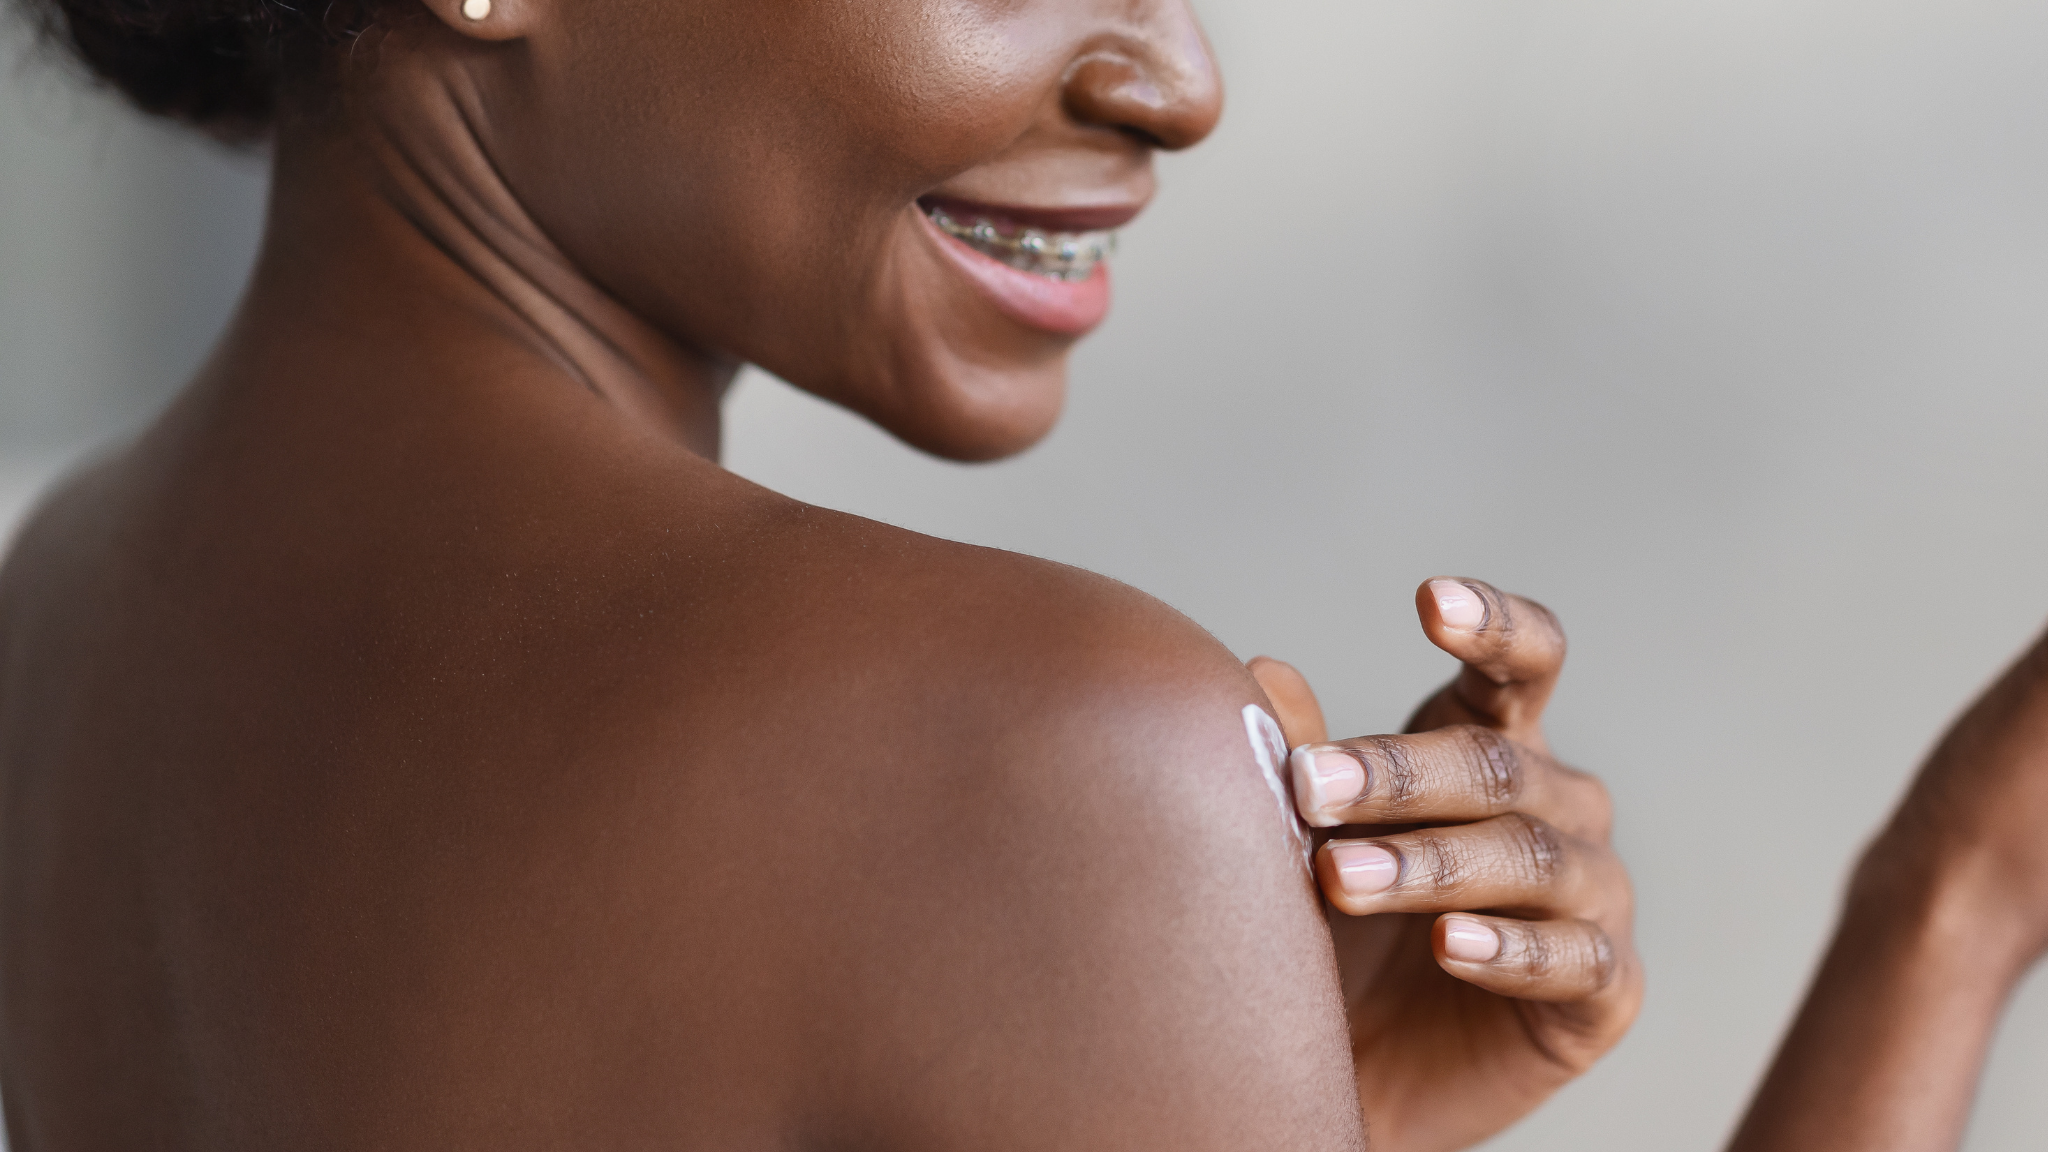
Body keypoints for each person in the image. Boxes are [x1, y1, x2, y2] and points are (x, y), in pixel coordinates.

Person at [0, 0, 2036, 1149]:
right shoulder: (1035, 758)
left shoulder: (59, 623)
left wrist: (1250, 1093)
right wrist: (1956, 904)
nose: (1176, 76)